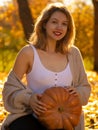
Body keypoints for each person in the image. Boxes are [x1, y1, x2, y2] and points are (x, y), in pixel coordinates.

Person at [1, 2, 91, 130]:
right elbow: (9, 89)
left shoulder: (73, 53)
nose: (59, 27)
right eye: (54, 22)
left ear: (68, 29)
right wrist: (29, 99)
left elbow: (85, 87)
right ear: (44, 24)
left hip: (64, 119)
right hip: (32, 116)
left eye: (64, 24)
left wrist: (77, 92)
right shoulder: (28, 53)